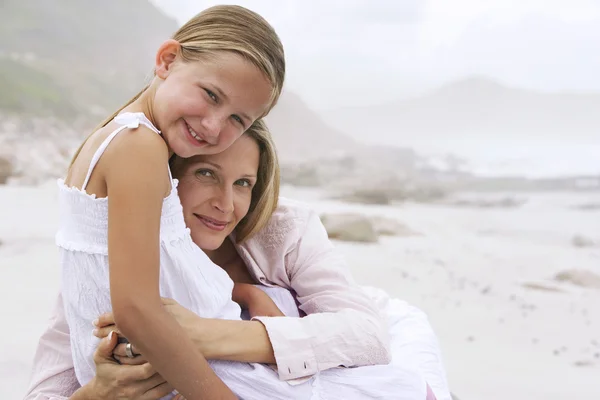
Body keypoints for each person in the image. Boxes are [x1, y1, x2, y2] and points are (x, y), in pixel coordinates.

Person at [26, 120, 450, 399]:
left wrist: (203, 335)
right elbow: (44, 392)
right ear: (165, 180)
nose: (226, 205)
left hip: (384, 321)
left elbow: (368, 335)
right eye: (206, 174)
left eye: (244, 183)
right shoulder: (114, 252)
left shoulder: (285, 230)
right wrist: (98, 392)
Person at [57, 4, 284, 399]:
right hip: (190, 376)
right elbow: (137, 310)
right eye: (211, 95)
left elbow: (166, 272)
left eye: (238, 120)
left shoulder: (123, 140)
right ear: (167, 60)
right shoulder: (138, 146)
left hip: (193, 362)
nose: (215, 126)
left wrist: (245, 293)